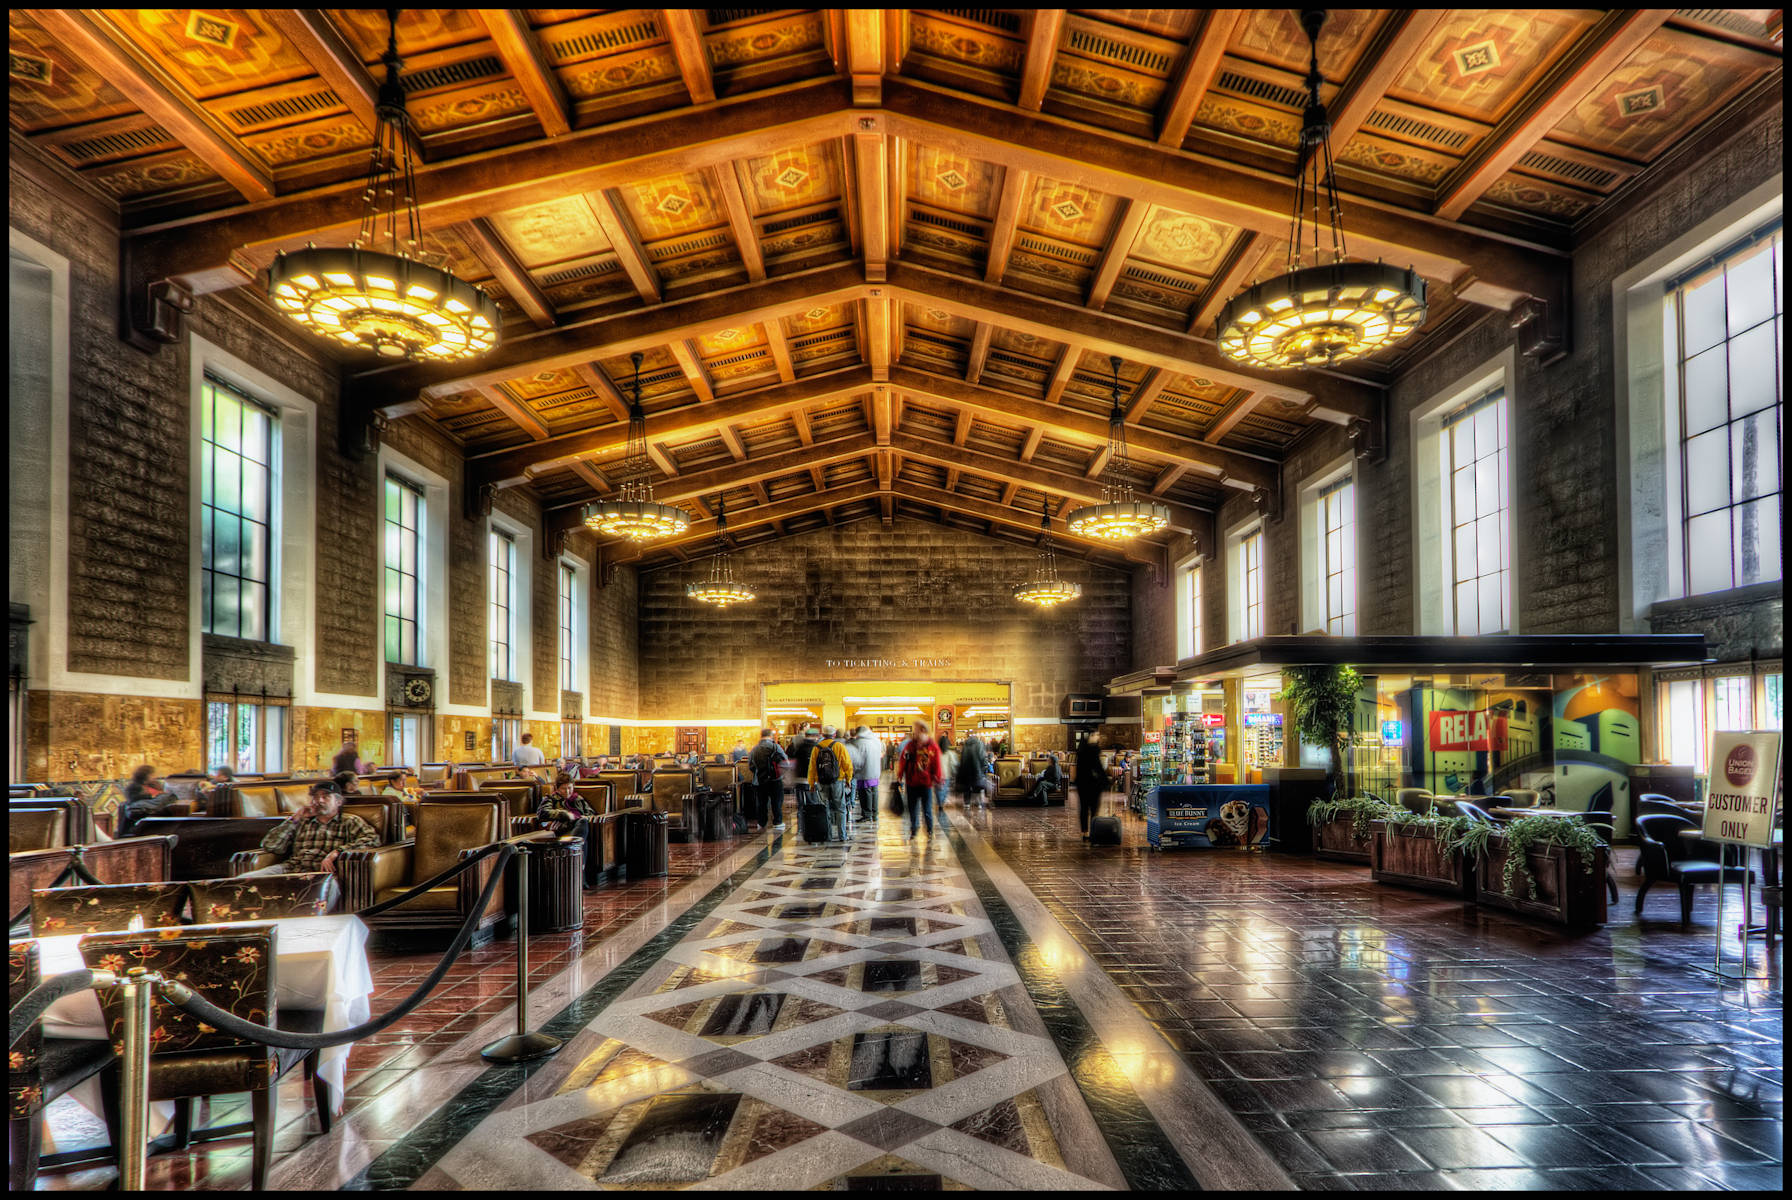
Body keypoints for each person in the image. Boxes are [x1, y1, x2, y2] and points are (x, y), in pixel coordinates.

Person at [246, 781, 379, 876]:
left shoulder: (350, 821)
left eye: (325, 796)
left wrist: (337, 852)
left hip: (325, 873)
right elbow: (270, 846)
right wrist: (294, 819)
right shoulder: (302, 821)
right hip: (292, 869)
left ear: (338, 802)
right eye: (315, 796)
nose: (319, 800)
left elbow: (372, 840)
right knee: (244, 881)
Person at [537, 771, 605, 888]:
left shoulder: (578, 799)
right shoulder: (551, 799)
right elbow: (542, 813)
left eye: (570, 788)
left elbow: (591, 813)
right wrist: (565, 815)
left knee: (582, 824)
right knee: (582, 843)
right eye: (564, 789)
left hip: (579, 828)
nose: (567, 792)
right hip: (562, 830)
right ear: (557, 788)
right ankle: (580, 879)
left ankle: (573, 848)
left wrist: (586, 817)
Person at [896, 720, 944, 840]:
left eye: (916, 729)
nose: (914, 732)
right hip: (911, 782)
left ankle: (929, 830)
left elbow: (936, 764)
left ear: (923, 730)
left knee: (927, 809)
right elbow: (903, 760)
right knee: (913, 809)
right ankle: (914, 830)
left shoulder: (932, 747)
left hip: (926, 783)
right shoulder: (910, 745)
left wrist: (938, 778)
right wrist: (900, 774)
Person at [806, 725, 854, 841]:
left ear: (822, 734)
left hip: (821, 781)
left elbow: (812, 767)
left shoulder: (816, 748)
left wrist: (811, 783)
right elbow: (847, 764)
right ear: (834, 735)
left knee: (824, 808)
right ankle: (842, 835)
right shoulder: (839, 746)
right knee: (840, 808)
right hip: (837, 780)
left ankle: (828, 836)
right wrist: (848, 779)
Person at [748, 728, 788, 832]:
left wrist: (759, 773)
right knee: (777, 801)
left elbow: (751, 765)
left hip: (760, 780)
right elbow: (785, 762)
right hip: (775, 779)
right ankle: (777, 822)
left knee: (762, 802)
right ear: (771, 736)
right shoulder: (776, 747)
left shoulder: (755, 749)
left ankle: (762, 823)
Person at [117, 764, 176, 836]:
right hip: (140, 813)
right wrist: (151, 796)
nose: (155, 777)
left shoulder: (155, 785)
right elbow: (134, 799)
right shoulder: (135, 786)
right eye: (152, 775)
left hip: (154, 813)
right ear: (146, 775)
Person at [1075, 730, 1107, 839]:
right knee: (1094, 809)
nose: (1098, 737)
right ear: (1091, 736)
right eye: (1096, 735)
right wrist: (1105, 780)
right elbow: (1098, 767)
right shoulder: (1094, 750)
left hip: (1082, 784)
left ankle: (1085, 832)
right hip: (1093, 784)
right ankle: (1092, 831)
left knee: (1084, 808)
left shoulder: (1081, 750)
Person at [848, 725, 882, 823]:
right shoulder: (876, 740)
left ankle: (867, 815)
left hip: (864, 771)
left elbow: (857, 759)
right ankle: (875, 814)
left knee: (865, 793)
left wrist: (854, 771)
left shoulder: (859, 743)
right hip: (875, 771)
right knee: (874, 792)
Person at [955, 731, 992, 811]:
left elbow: (962, 758)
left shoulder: (965, 745)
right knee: (977, 786)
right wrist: (985, 767)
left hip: (966, 769)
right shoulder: (979, 744)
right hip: (977, 769)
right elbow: (982, 757)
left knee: (967, 786)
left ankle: (967, 803)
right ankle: (978, 803)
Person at [790, 726, 820, 812]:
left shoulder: (798, 748)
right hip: (813, 781)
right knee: (813, 804)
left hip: (799, 780)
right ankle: (812, 823)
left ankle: (802, 823)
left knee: (801, 806)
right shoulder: (818, 748)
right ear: (815, 736)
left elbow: (792, 763)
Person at [935, 734, 958, 826]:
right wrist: (954, 772)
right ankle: (941, 802)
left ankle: (939, 802)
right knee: (944, 789)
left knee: (938, 789)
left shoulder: (936, 752)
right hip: (947, 774)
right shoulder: (950, 753)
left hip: (937, 775)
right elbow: (953, 764)